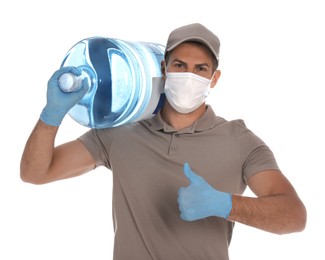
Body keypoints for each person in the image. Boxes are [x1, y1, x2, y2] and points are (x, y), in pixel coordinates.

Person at [20, 23, 307, 259]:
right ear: (164, 67)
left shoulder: (239, 141)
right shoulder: (120, 132)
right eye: (180, 65)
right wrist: (51, 115)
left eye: (200, 69)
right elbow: (35, 172)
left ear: (214, 78)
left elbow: (294, 217)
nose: (188, 76)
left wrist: (224, 204)